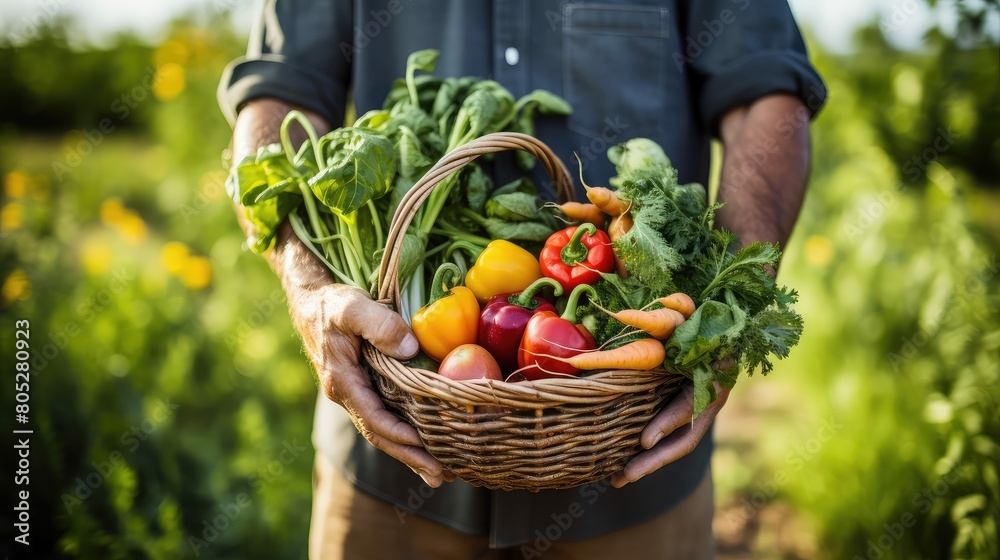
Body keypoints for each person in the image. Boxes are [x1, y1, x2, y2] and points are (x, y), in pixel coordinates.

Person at [218, 1, 825, 558]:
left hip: (635, 469)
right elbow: (276, 92)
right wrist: (310, 290)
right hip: (392, 470)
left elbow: (767, 96)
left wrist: (726, 313)